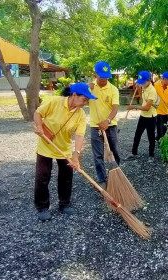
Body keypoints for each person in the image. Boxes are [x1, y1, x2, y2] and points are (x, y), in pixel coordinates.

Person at [33, 83, 97, 221]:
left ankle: (64, 203)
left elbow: (80, 135)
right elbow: (38, 113)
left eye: (87, 100)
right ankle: (42, 207)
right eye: (84, 99)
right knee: (42, 177)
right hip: (46, 145)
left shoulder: (80, 114)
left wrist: (76, 155)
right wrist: (39, 126)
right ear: (74, 95)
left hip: (64, 149)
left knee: (66, 177)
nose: (86, 102)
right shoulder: (55, 101)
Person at [89, 61, 120, 188]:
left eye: (106, 76)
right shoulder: (90, 87)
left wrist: (107, 121)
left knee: (115, 150)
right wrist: (87, 89)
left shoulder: (113, 89)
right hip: (95, 125)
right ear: (95, 74)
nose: (104, 79)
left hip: (110, 125)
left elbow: (115, 108)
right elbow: (77, 96)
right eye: (101, 76)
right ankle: (102, 178)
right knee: (98, 154)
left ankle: (116, 174)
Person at [125, 71, 158, 163]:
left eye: (143, 82)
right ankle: (134, 153)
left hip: (151, 117)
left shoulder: (152, 91)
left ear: (149, 80)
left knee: (151, 137)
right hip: (143, 116)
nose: (142, 84)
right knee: (137, 135)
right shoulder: (144, 87)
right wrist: (139, 89)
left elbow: (147, 108)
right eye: (141, 82)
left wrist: (133, 107)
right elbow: (143, 99)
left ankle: (151, 155)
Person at [155, 72, 168, 142]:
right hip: (158, 112)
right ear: (165, 79)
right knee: (160, 129)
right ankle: (160, 142)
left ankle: (158, 138)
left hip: (166, 112)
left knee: (166, 127)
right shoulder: (156, 86)